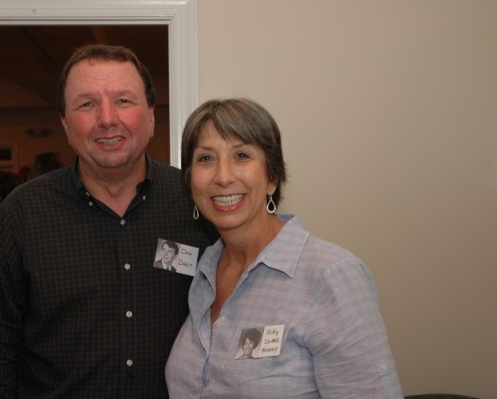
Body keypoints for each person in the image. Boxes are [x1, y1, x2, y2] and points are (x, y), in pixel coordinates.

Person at [0, 44, 217, 398]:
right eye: (87, 104)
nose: (107, 118)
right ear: (65, 123)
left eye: (124, 101)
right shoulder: (24, 212)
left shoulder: (197, 201)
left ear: (152, 117)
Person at [166, 98, 403, 398]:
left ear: (272, 178)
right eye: (205, 159)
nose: (223, 176)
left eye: (241, 155)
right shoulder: (204, 274)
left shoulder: (330, 275)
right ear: (190, 184)